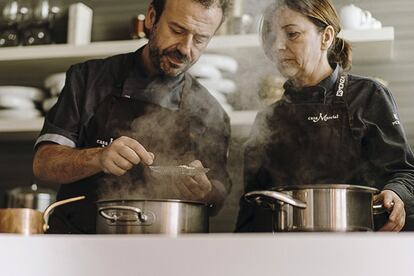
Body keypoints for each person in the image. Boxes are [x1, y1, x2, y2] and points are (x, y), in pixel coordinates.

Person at [33, 0, 231, 234]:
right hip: (79, 244)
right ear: (151, 17)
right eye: (177, 30)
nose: (186, 49)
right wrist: (98, 157)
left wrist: (204, 191)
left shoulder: (212, 112)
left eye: (200, 39)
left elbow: (218, 198)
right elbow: (43, 163)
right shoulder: (87, 79)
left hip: (167, 249)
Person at [236, 0, 414, 232]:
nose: (277, 46)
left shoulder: (369, 95)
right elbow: (252, 206)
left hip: (362, 248)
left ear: (326, 37)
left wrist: (396, 193)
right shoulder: (268, 118)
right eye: (271, 37)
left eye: (292, 34)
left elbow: (405, 173)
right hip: (287, 253)